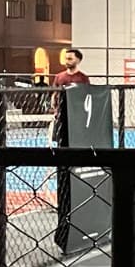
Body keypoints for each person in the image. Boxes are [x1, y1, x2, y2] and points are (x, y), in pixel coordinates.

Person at [51, 48, 92, 253]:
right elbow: (54, 97)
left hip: (77, 122)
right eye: (66, 57)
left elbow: (87, 100)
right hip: (62, 122)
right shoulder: (59, 77)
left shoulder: (83, 79)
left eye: (70, 57)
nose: (67, 60)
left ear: (78, 60)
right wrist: (55, 112)